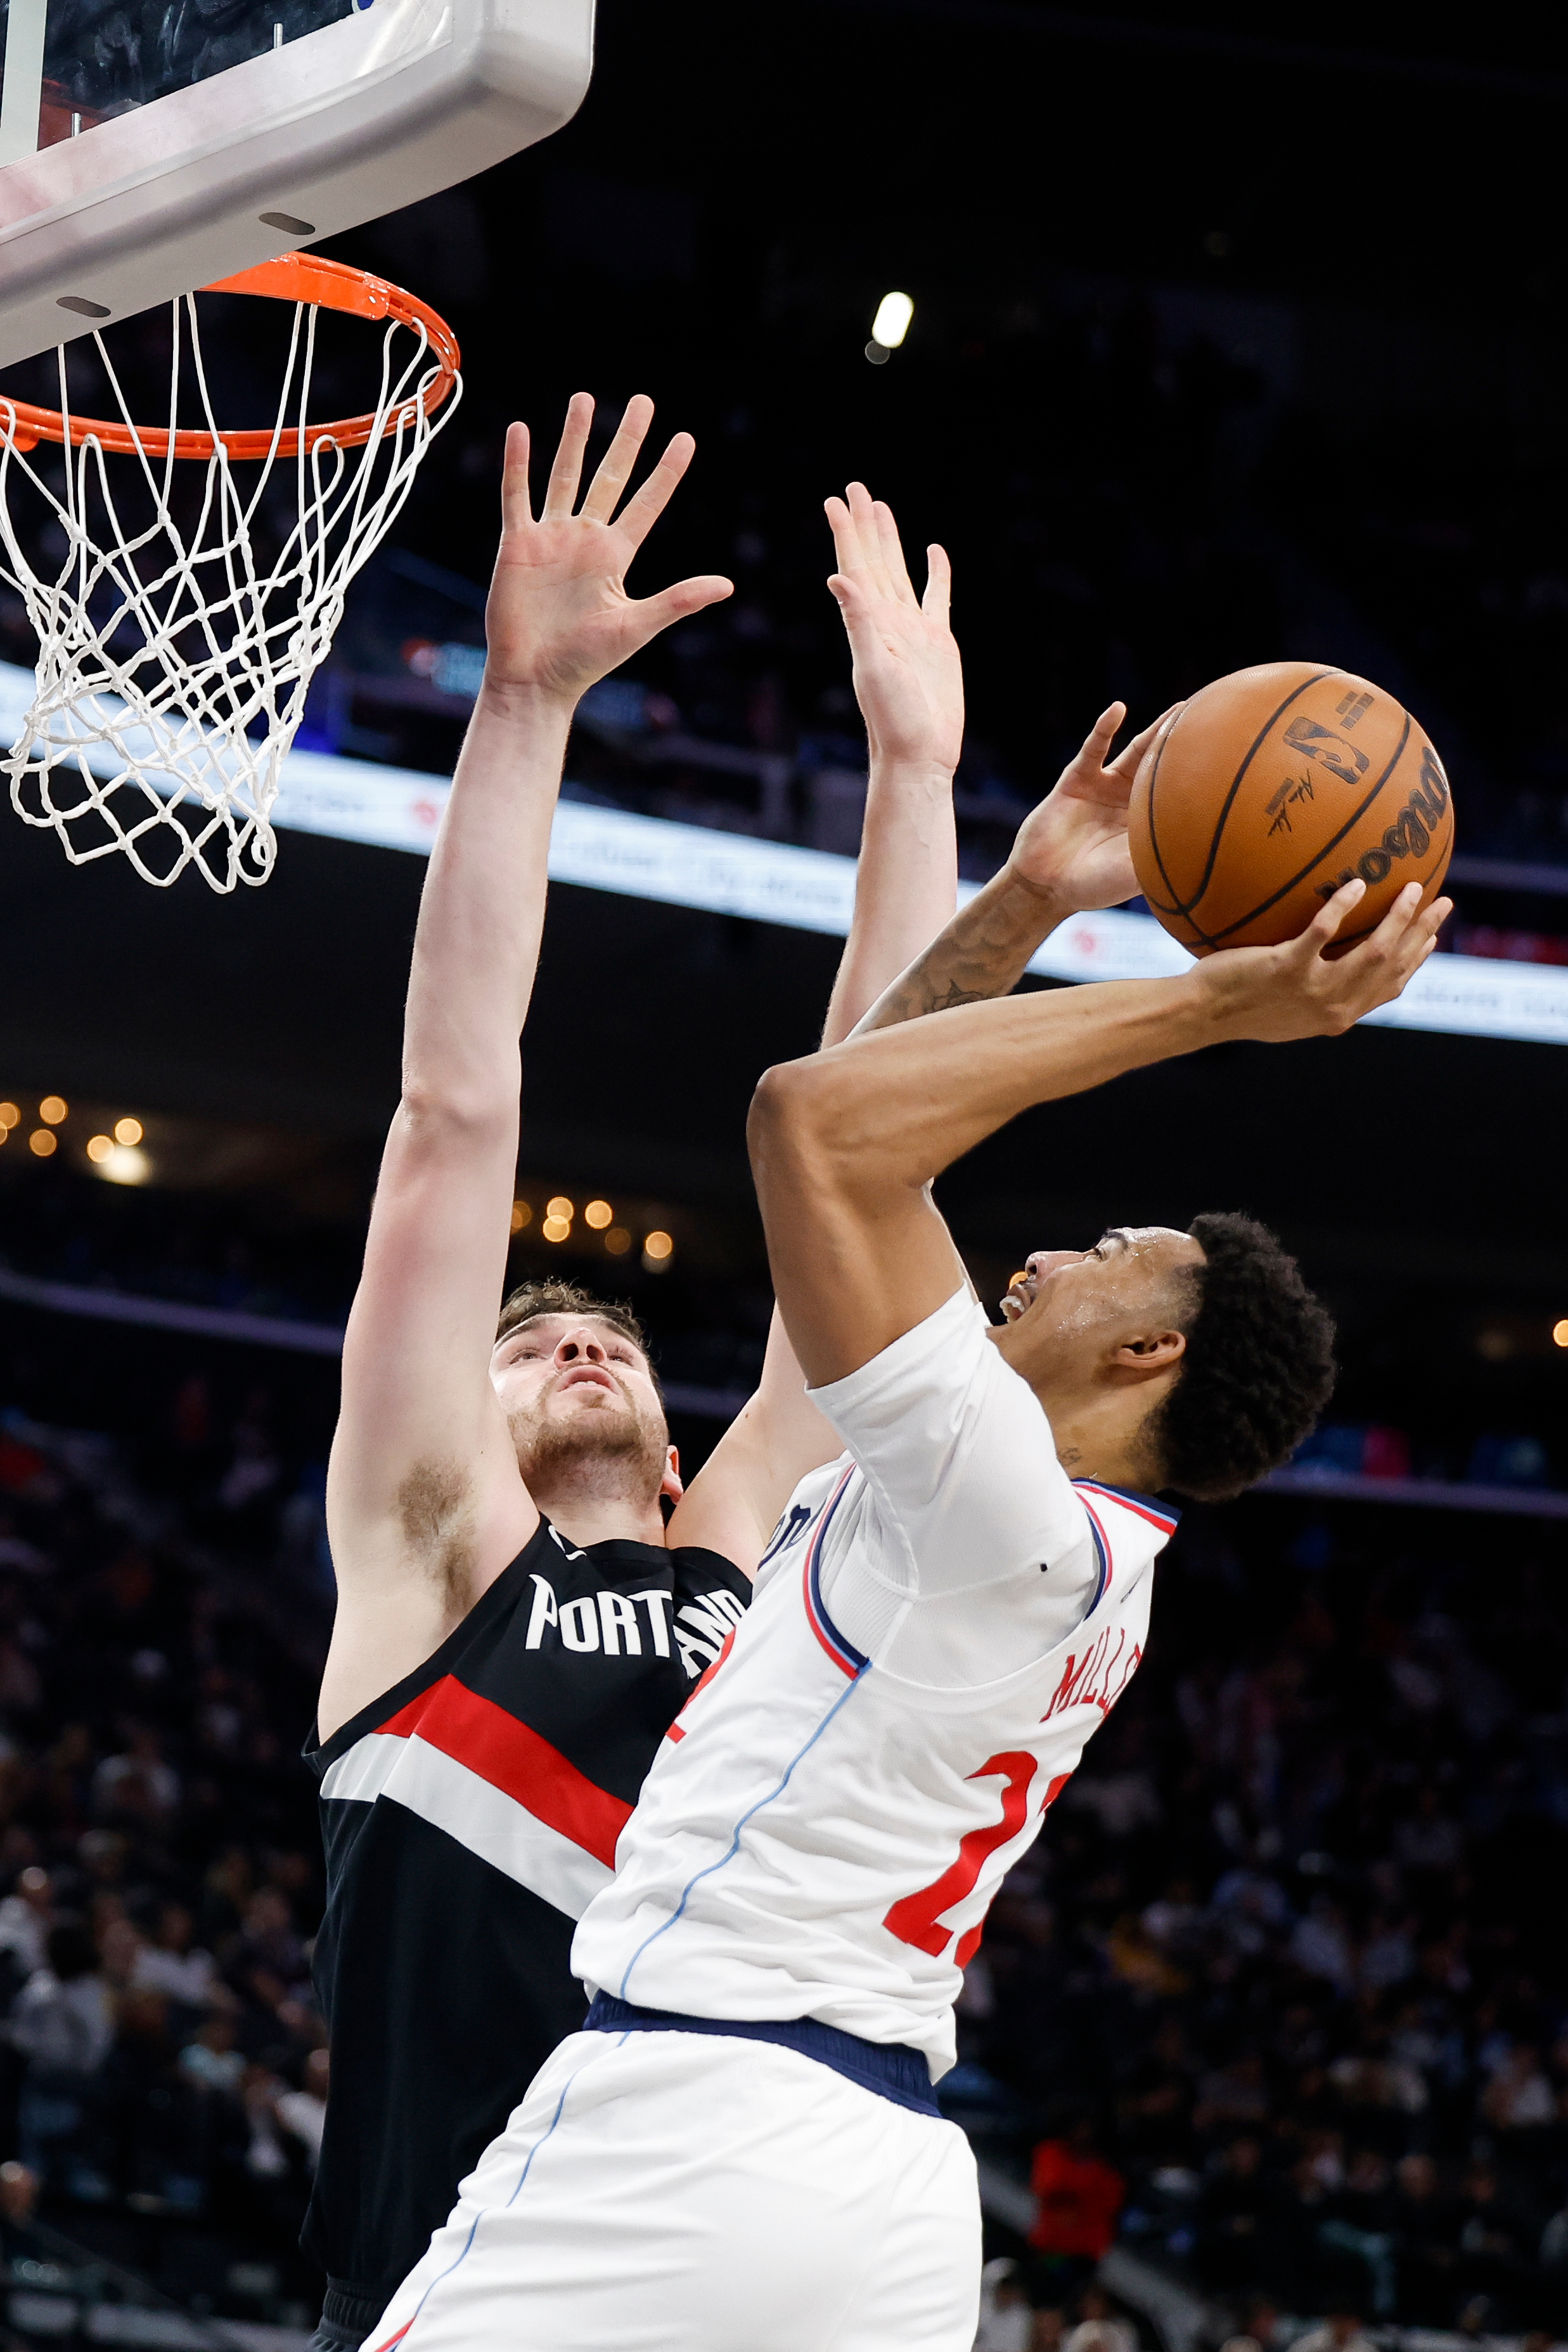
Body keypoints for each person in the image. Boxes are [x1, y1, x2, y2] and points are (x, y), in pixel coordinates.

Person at [363, 466, 1449, 2350]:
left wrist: (1211, 1002)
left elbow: (811, 1122)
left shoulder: (996, 1500)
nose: (1037, 1258)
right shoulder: (1042, 1525)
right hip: (872, 2180)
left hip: (693, 2124)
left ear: (1146, 1362)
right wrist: (1026, 891)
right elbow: (860, 1131)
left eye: (1107, 1254)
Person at [305, 399, 980, 2350]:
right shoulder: (437, 1553)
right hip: (456, 2286)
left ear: (686, 1433)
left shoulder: (748, 1540)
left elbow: (874, 1135)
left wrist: (914, 770)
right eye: (523, 1346)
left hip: (724, 2273)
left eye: (598, 1334)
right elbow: (453, 1106)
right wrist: (520, 709)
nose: (574, 1336)